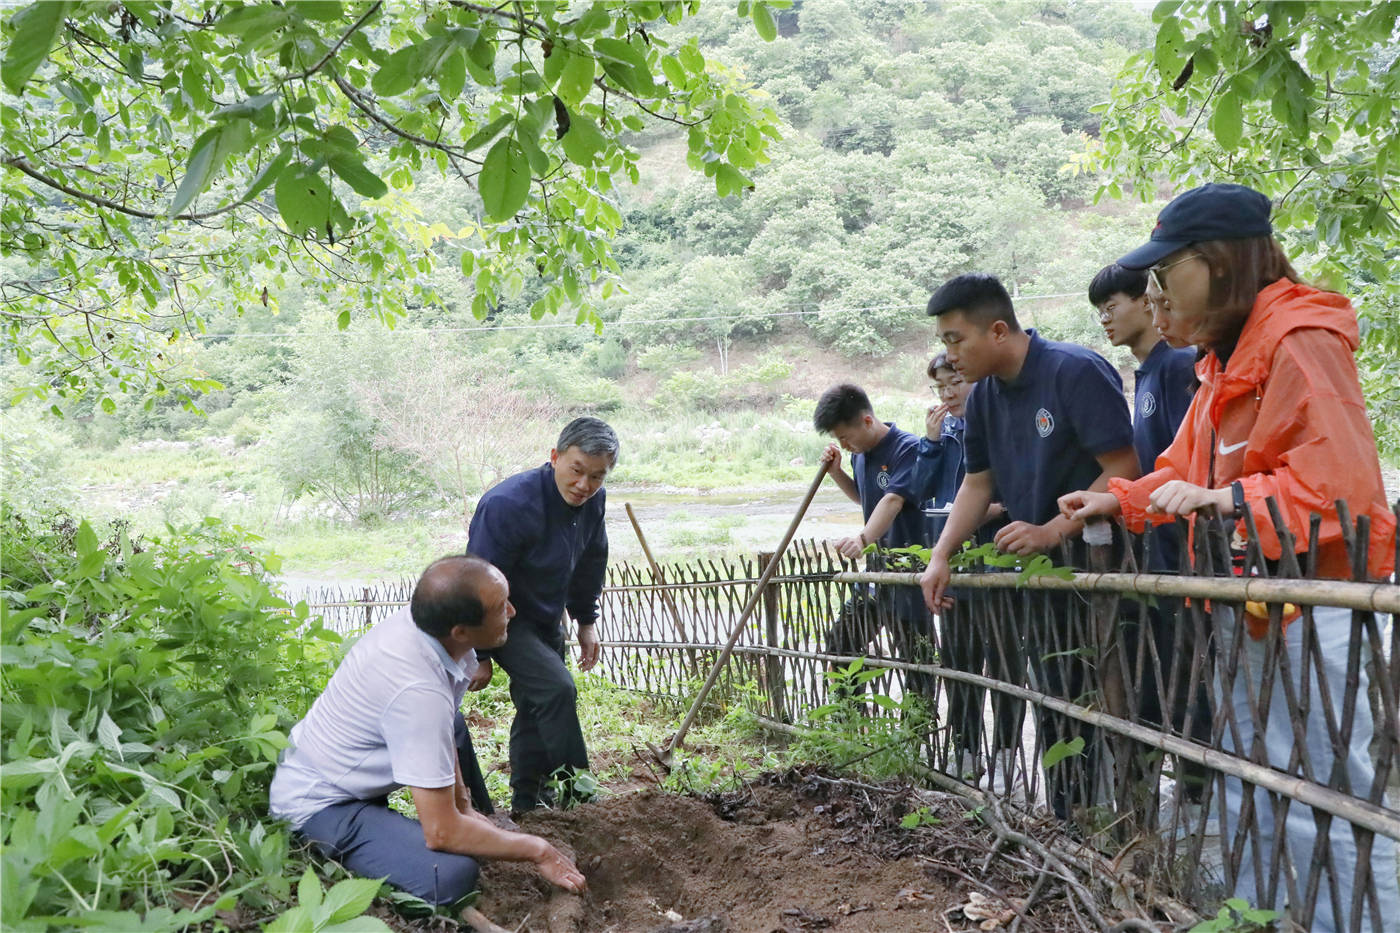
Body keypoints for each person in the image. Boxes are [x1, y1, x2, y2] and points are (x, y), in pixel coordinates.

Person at [1059, 183, 1398, 931]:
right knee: (1257, 778)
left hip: (1314, 602)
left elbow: (1340, 483)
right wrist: (1122, 498)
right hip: (1253, 605)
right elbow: (1184, 463)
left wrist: (1232, 502)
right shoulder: (1224, 360)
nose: (1154, 293)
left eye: (1163, 272)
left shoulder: (1298, 339)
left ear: (1214, 263)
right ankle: (1266, 917)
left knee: (1327, 791)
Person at [918, 273, 1140, 819]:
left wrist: (1050, 530)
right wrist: (940, 556)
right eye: (943, 341)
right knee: (1055, 690)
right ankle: (1072, 816)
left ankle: (1120, 816)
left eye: (955, 339)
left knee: (1105, 693)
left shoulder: (1073, 371)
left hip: (1096, 567)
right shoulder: (987, 398)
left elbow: (1124, 471)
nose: (949, 354)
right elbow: (977, 482)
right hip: (1038, 574)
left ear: (997, 330)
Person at [269, 556, 587, 908]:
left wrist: (463, 804)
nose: (512, 611)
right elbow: (440, 832)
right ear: (461, 631)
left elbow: (445, 719)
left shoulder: (427, 631)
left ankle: (479, 824)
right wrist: (538, 850)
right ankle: (349, 852)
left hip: (350, 771)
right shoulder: (417, 691)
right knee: (450, 877)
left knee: (454, 728)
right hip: (321, 806)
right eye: (500, 607)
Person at [1089, 262, 1212, 801]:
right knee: (1166, 670)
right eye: (1099, 312)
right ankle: (1181, 785)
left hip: (1190, 555)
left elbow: (1200, 464)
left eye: (1111, 306)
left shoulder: (1180, 364)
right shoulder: (1144, 376)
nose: (1105, 320)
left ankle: (1198, 789)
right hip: (1157, 554)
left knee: (1192, 676)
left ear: (1147, 302)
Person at [467, 417, 615, 816]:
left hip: (547, 616)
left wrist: (586, 621)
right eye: (577, 470)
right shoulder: (508, 505)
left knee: (536, 706)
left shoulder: (592, 502)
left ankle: (525, 804)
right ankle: (581, 796)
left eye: (597, 477)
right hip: (503, 620)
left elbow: (590, 560)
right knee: (557, 690)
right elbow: (477, 575)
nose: (584, 485)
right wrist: (478, 652)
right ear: (555, 457)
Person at [915, 353, 1010, 777]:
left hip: (1001, 561)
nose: (948, 393)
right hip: (955, 564)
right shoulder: (946, 433)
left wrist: (987, 511)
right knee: (959, 662)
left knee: (1006, 661)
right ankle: (966, 750)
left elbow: (1024, 488)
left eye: (955, 381)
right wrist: (931, 446)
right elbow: (922, 494)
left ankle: (1008, 756)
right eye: (940, 386)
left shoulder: (1002, 424)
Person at [813, 383, 932, 703]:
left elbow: (892, 500)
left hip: (909, 569)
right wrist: (837, 472)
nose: (844, 444)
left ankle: (918, 734)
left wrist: (864, 537)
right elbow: (863, 498)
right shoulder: (861, 456)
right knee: (841, 641)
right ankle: (850, 719)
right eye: (838, 440)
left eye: (845, 437)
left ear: (866, 421)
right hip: (877, 571)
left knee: (916, 658)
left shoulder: (908, 448)